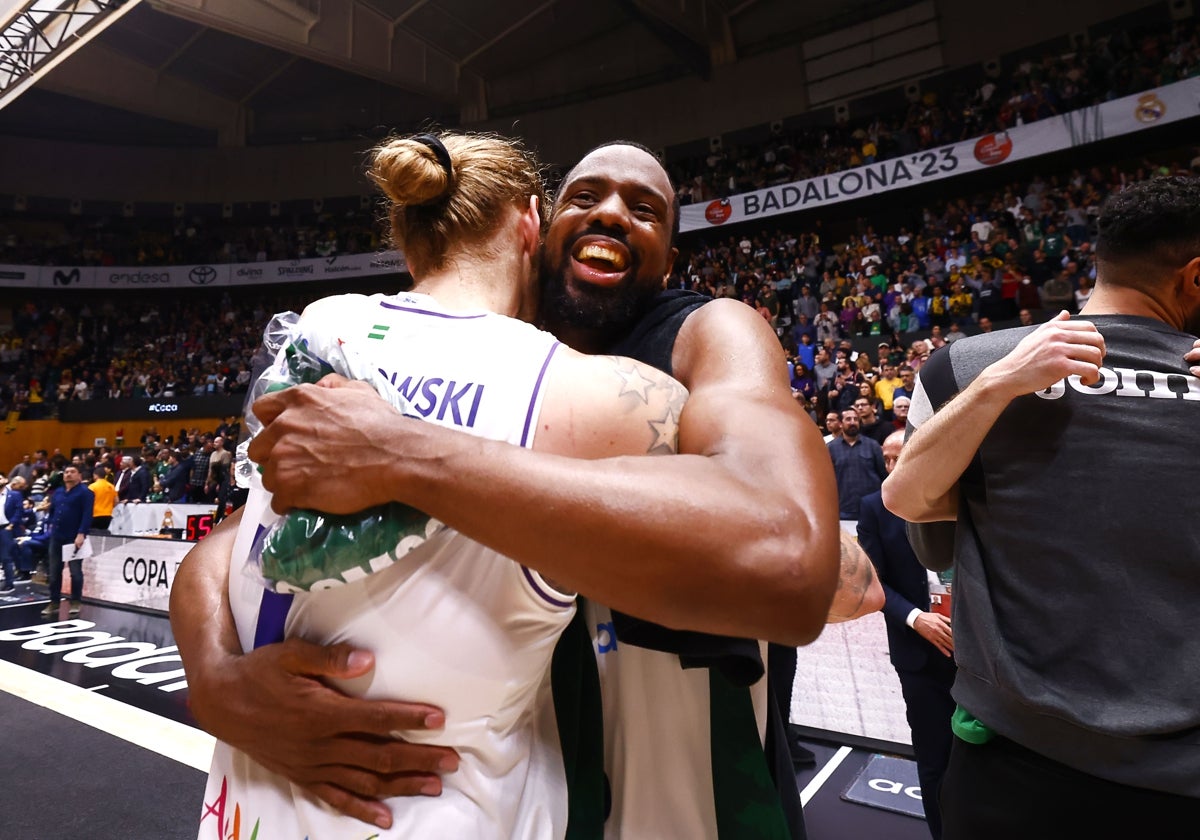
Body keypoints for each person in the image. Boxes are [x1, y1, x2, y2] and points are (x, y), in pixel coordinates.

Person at [173, 140, 881, 837]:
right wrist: (212, 675)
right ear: (537, 230)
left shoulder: (707, 331)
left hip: (685, 781)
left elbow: (816, 572)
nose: (611, 213)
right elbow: (246, 531)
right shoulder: (473, 351)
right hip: (530, 777)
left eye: (645, 210)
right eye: (585, 195)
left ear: (670, 262)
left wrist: (404, 454)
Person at [883, 176, 1200, 837]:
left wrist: (994, 381)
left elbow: (917, 515)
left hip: (1015, 768)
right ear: (1193, 278)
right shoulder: (993, 370)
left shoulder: (960, 366)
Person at [858, 430, 955, 840]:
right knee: (933, 761)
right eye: (887, 459)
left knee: (987, 760)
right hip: (918, 657)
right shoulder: (873, 508)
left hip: (977, 653)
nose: (894, 467)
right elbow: (873, 584)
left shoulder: (959, 495)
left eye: (902, 456)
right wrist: (917, 619)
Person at [40, 464, 93, 617]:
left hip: (74, 537)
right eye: (66, 472)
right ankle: (54, 601)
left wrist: (82, 533)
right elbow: (53, 510)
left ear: (79, 475)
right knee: (54, 571)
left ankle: (76, 601)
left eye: (72, 472)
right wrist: (50, 525)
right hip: (56, 536)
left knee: (75, 572)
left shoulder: (86, 493)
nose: (68, 474)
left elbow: (87, 515)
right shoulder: (58, 492)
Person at [827, 407, 886, 520]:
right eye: (848, 419)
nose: (853, 422)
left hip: (872, 510)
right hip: (843, 510)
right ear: (840, 423)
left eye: (855, 419)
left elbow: (883, 475)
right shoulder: (830, 448)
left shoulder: (873, 446)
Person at [0, 476, 25, 593]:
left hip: (5, 528)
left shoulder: (14, 494)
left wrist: (11, 525)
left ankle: (9, 584)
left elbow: (20, 510)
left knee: (6, 557)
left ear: (5, 480)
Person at [88, 465, 117, 531]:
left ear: (95, 475)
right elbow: (116, 501)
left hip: (95, 514)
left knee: (93, 536)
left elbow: (88, 501)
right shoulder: (111, 486)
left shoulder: (92, 486)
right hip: (107, 515)